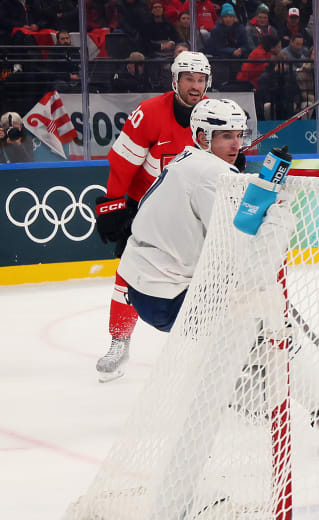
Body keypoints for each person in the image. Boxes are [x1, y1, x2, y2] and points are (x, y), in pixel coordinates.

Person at [93, 51, 212, 383]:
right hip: (146, 209)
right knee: (129, 272)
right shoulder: (148, 114)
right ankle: (119, 342)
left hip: (191, 213)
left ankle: (211, 350)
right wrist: (114, 206)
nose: (195, 86)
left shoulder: (212, 114)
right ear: (175, 80)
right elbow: (122, 166)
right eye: (188, 79)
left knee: (208, 278)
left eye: (200, 80)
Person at [115, 98, 246, 333]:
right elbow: (235, 238)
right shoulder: (215, 172)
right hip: (169, 298)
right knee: (258, 301)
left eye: (239, 135)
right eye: (227, 136)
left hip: (139, 286)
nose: (236, 145)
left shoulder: (185, 156)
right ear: (203, 138)